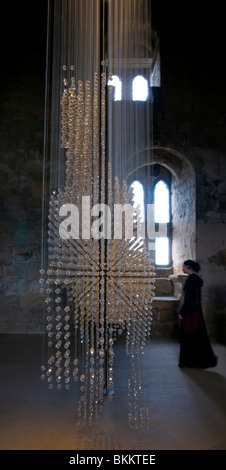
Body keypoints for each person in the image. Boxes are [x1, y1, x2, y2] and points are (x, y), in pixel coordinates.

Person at [178, 259, 217, 369]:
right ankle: (196, 362)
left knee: (189, 337)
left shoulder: (191, 280)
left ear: (189, 267)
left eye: (184, 267)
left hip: (191, 314)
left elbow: (189, 299)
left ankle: (191, 362)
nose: (182, 268)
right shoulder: (196, 279)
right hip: (195, 312)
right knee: (197, 337)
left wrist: (182, 312)